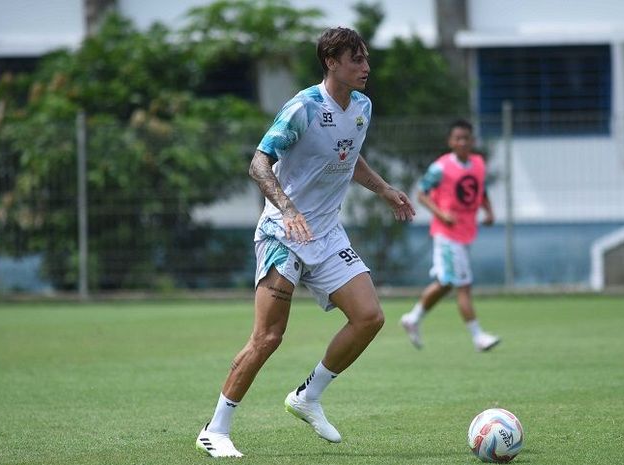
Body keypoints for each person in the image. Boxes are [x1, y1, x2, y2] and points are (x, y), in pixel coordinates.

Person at [196, 27, 415, 458]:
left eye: (366, 58)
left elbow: (348, 157)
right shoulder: (303, 108)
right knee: (269, 336)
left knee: (369, 317)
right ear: (331, 62)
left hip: (326, 232)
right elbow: (259, 163)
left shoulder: (362, 107)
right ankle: (215, 430)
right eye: (357, 59)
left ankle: (307, 397)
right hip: (284, 232)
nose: (366, 67)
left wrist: (386, 189)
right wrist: (288, 208)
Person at [400, 119, 500, 352]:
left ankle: (413, 318)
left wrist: (490, 211)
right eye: (458, 138)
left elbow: (480, 190)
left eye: (467, 138)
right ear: (450, 142)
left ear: (473, 141)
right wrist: (441, 213)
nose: (463, 142)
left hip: (465, 232)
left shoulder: (477, 163)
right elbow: (421, 193)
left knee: (446, 283)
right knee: (463, 284)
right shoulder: (441, 167)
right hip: (447, 235)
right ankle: (478, 337)